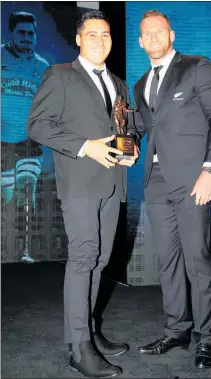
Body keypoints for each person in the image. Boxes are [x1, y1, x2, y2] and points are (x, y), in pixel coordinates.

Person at [28, 10, 138, 378]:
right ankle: (78, 348)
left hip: (112, 184)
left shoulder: (119, 84)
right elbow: (38, 125)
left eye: (105, 35)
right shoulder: (59, 75)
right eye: (92, 34)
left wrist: (132, 147)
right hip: (78, 183)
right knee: (83, 257)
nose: (99, 40)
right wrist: (84, 146)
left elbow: (128, 128)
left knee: (101, 260)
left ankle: (88, 332)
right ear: (78, 39)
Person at [133, 10, 211, 369]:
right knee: (167, 260)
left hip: (193, 179)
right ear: (140, 42)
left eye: (159, 31)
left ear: (171, 34)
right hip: (156, 182)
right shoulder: (141, 84)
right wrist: (126, 147)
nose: (154, 38)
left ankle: (207, 338)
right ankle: (176, 329)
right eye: (147, 34)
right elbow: (143, 129)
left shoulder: (196, 66)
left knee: (197, 258)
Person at [1, 11, 49, 263]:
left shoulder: (42, 67)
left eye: (31, 33)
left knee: (27, 191)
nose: (27, 37)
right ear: (11, 33)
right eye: (21, 32)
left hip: (29, 142)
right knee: (6, 196)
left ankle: (26, 252)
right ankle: (6, 248)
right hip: (2, 142)